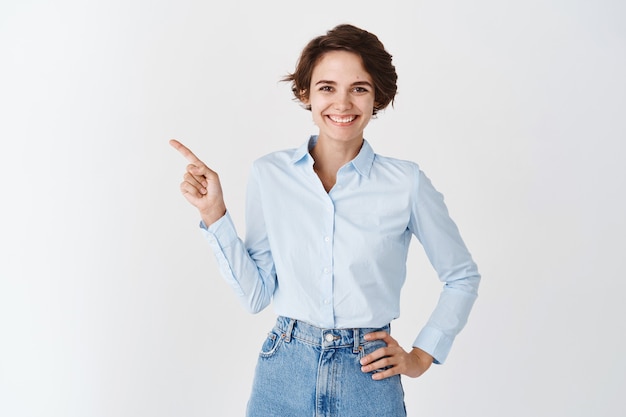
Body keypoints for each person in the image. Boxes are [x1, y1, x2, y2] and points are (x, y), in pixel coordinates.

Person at [170, 23, 480, 417]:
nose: (343, 103)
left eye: (359, 88)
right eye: (327, 87)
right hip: (284, 370)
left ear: (377, 96)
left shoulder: (406, 183)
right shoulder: (270, 174)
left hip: (368, 376)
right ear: (306, 93)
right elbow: (256, 296)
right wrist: (214, 214)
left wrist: (422, 355)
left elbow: (461, 276)